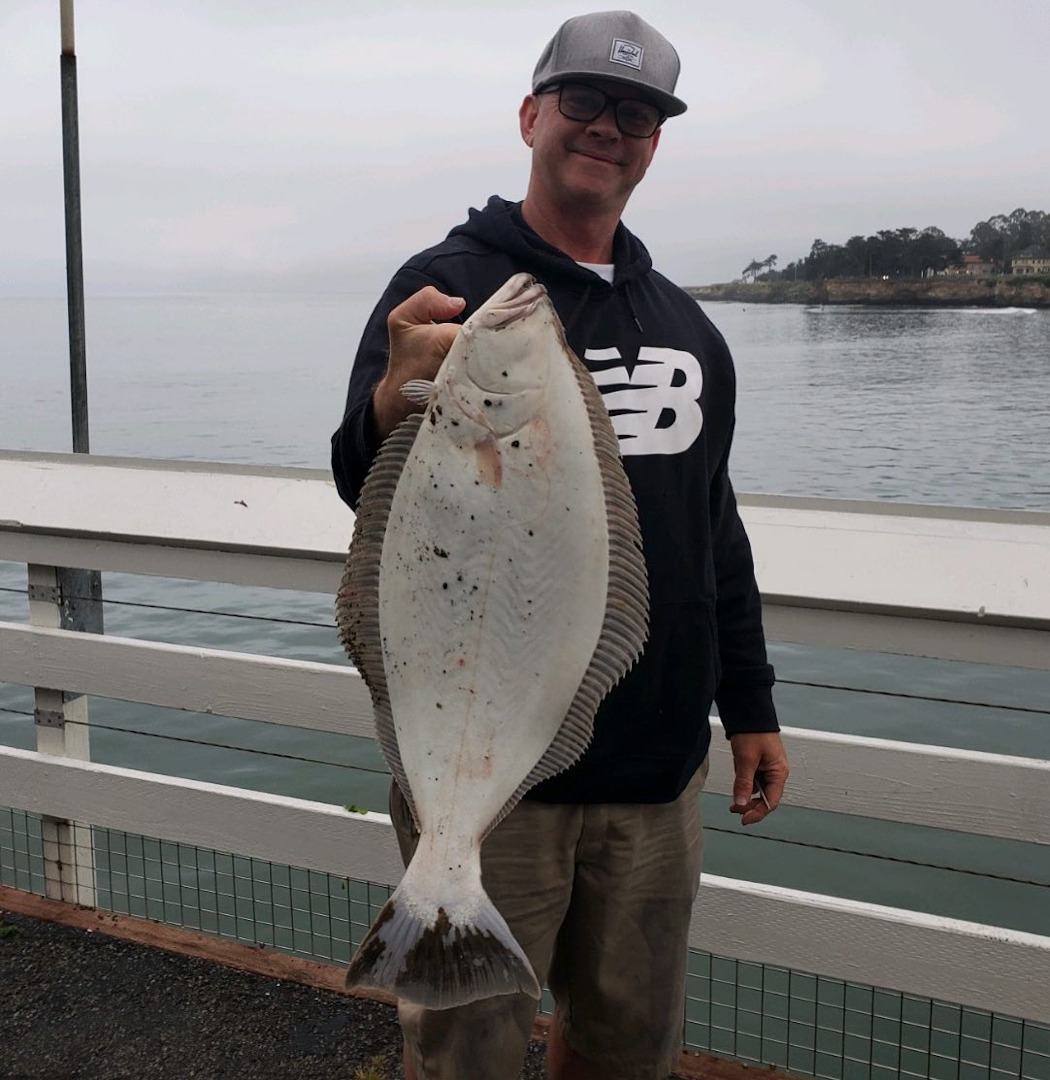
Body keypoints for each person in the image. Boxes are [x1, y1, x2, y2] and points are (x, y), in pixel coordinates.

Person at [331, 11, 789, 1080]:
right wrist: (399, 393)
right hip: (492, 790)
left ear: (655, 141)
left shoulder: (687, 328)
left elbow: (709, 528)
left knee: (629, 1050)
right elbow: (366, 488)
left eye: (636, 113)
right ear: (531, 114)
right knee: (470, 1059)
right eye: (582, 101)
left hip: (659, 769)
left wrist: (752, 706)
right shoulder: (444, 295)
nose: (606, 127)